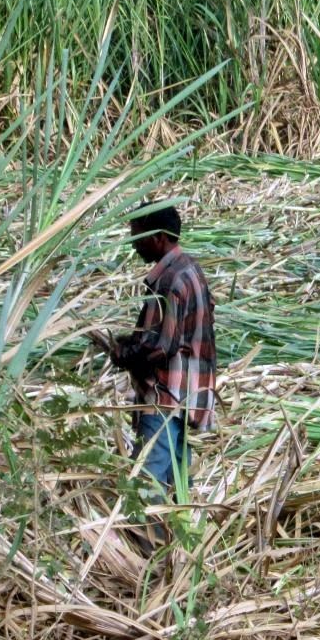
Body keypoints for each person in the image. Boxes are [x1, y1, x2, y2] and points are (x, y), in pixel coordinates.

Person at [110, 203, 216, 493]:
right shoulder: (190, 268)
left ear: (157, 237)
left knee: (147, 481)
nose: (134, 246)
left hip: (165, 395)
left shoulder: (170, 280)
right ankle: (179, 533)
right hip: (188, 392)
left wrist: (123, 354)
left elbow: (161, 346)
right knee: (177, 478)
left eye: (137, 237)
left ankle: (145, 536)